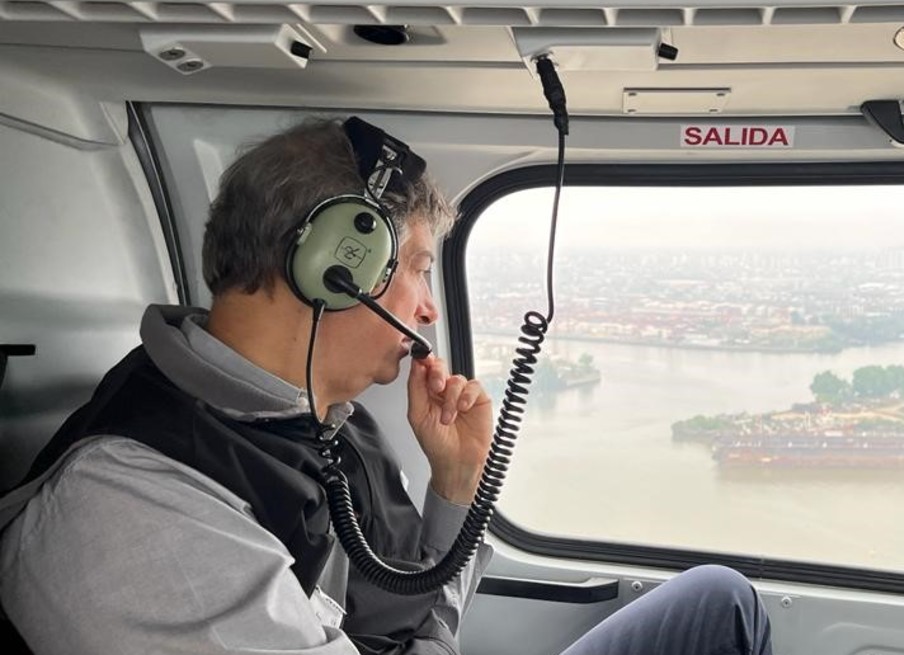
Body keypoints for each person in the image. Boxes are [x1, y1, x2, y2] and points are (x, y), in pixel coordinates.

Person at [0, 117, 773, 655]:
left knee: (719, 599)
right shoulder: (137, 512)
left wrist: (456, 484)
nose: (430, 307)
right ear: (337, 266)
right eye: (417, 268)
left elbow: (401, 607)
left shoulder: (320, 425)